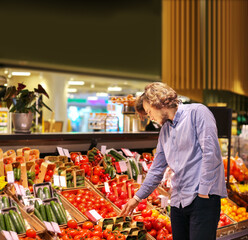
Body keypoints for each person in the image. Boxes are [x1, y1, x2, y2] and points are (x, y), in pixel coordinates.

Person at [120, 82, 227, 240]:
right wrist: (137, 198)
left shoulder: (197, 112)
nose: (151, 118)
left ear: (159, 102)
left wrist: (203, 193)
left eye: (149, 112)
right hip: (178, 202)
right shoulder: (165, 131)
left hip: (202, 199)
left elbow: (211, 154)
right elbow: (157, 169)